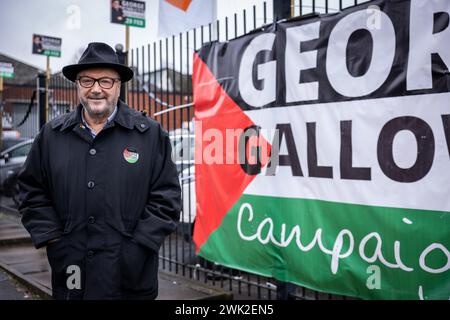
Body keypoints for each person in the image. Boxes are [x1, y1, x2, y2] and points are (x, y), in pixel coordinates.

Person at [18, 42, 181, 300]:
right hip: (72, 276)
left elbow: (167, 198)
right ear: (77, 85)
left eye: (105, 81)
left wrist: (138, 247)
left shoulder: (150, 135)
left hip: (130, 279)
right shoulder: (51, 136)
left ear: (118, 85)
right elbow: (30, 191)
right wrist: (54, 241)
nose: (96, 89)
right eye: (87, 81)